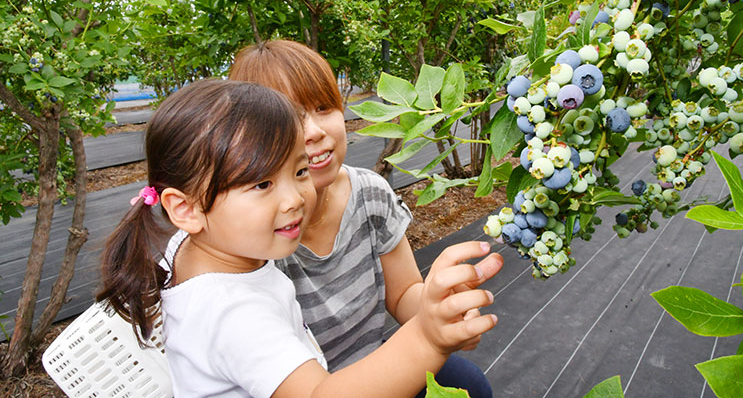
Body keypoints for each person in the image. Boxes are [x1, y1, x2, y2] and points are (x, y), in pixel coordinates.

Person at [97, 79, 500, 398]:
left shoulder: (209, 248)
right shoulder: (231, 311)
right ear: (185, 209)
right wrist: (425, 336)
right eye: (262, 183)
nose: (294, 199)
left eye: (300, 172)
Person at [229, 40, 501, 397]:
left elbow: (403, 292)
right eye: (290, 118)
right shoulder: (255, 239)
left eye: (324, 107)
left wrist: (441, 310)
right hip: (314, 387)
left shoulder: (369, 193)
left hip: (380, 359)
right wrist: (426, 338)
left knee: (469, 383)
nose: (313, 131)